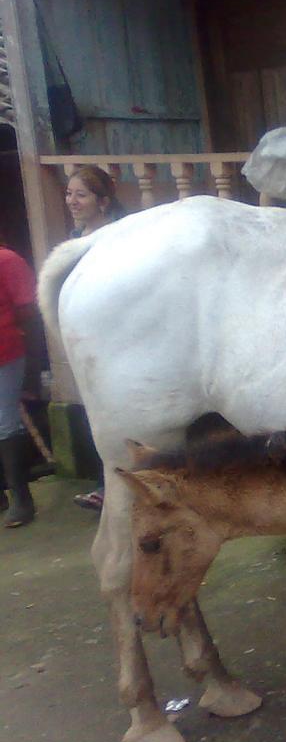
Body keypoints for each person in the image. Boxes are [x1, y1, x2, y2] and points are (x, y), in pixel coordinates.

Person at [64, 166, 124, 512]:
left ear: (103, 202)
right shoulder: (76, 235)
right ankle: (107, 486)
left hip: (113, 340)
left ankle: (116, 487)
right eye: (69, 194)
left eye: (81, 195)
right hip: (87, 340)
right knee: (98, 415)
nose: (72, 201)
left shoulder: (115, 238)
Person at [0, 230, 38, 527]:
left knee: (5, 422)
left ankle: (21, 499)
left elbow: (28, 308)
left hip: (6, 351)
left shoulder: (8, 261)